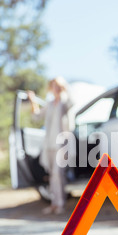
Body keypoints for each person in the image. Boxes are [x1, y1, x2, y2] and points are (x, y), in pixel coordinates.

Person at [28, 77, 71, 215]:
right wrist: (33, 101)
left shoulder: (64, 103)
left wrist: (64, 92)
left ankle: (60, 204)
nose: (56, 89)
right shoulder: (50, 104)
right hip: (49, 145)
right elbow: (36, 117)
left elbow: (71, 104)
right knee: (52, 175)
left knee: (58, 174)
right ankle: (54, 203)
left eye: (59, 86)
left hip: (61, 144)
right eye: (54, 86)